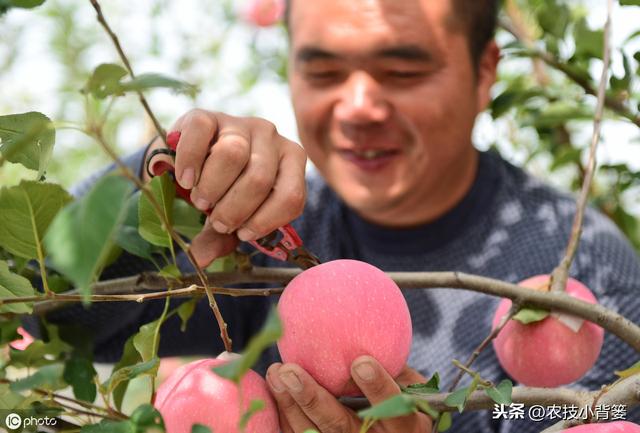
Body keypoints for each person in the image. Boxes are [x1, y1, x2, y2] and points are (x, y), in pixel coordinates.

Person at [30, 0, 640, 432]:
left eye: (403, 70)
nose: (358, 106)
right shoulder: (262, 232)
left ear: (486, 73)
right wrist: (159, 191)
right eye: (322, 71)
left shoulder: (587, 275)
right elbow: (54, 319)